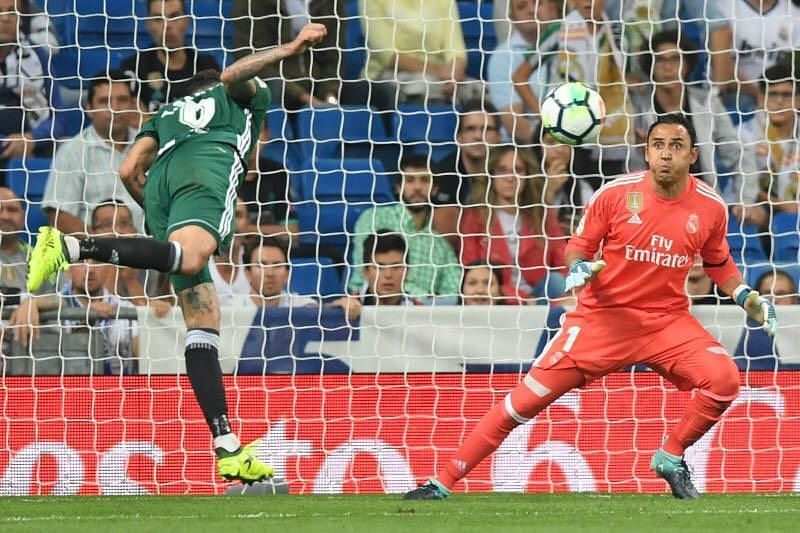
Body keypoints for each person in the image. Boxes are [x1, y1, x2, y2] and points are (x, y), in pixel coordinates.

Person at [404, 114, 778, 501]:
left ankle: (670, 455)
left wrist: (746, 297)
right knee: (522, 404)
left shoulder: (710, 206)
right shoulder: (615, 195)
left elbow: (718, 262)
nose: (667, 154)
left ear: (693, 155)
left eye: (676, 146)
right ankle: (442, 482)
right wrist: (579, 267)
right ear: (647, 153)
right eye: (659, 146)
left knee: (725, 380)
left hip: (666, 323)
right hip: (602, 320)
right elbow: (577, 248)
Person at [26, 22, 330, 485]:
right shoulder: (236, 100)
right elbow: (234, 76)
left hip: (161, 185)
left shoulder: (166, 113)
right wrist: (290, 47)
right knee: (189, 261)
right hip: (207, 168)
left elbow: (130, 169)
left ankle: (227, 445)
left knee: (202, 320)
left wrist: (156, 214)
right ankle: (69, 245)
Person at [629, 30, 759, 210]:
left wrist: (745, 201)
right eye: (661, 60)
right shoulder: (635, 108)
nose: (668, 67)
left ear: (687, 65)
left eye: (675, 59)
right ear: (650, 66)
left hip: (702, 205)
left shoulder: (707, 104)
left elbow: (738, 154)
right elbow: (627, 170)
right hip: (652, 207)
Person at [459, 144, 567, 303]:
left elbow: (563, 263)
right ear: (491, 175)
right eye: (502, 170)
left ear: (528, 175)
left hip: (540, 296)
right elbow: (470, 272)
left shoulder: (543, 215)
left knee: (558, 281)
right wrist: (521, 298)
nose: (510, 178)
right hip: (496, 296)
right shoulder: (474, 217)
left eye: (518, 170)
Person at [349, 153, 461, 304]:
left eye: (425, 180)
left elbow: (453, 294)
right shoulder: (374, 218)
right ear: (398, 188)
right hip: (369, 307)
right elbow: (364, 275)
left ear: (434, 190)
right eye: (410, 181)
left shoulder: (441, 246)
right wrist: (423, 298)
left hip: (420, 321)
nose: (417, 187)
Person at [43, 70, 143, 235]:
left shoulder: (149, 145)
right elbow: (59, 218)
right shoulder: (73, 151)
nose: (115, 108)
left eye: (123, 100)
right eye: (105, 101)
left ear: (133, 105)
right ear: (89, 108)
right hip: (97, 254)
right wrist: (106, 247)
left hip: (151, 250)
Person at [121, 0, 220, 113]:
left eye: (174, 16)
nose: (167, 25)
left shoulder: (207, 66)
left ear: (186, 21)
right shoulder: (133, 67)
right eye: (158, 19)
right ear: (148, 24)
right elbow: (133, 119)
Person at [0, 0, 66, 164]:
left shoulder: (38, 55)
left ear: (21, 19)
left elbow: (59, 120)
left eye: (12, 11)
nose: (6, 18)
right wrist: (7, 144)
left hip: (34, 147)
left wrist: (31, 138)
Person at [738, 65, 800, 228]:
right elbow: (743, 182)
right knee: (752, 215)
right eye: (772, 95)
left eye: (787, 95)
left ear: (798, 100)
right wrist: (781, 205)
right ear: (760, 98)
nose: (779, 101)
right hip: (760, 204)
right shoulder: (744, 134)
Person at [237, 238, 361, 317]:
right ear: (248, 273)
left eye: (277, 265)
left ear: (287, 274)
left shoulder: (300, 304)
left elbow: (322, 312)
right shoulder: (231, 309)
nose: (270, 273)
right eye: (262, 265)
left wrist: (341, 304)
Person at [354, 231, 418, 306]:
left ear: (407, 271)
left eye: (396, 267)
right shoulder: (344, 310)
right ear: (366, 272)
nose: (388, 274)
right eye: (380, 267)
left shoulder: (423, 313)